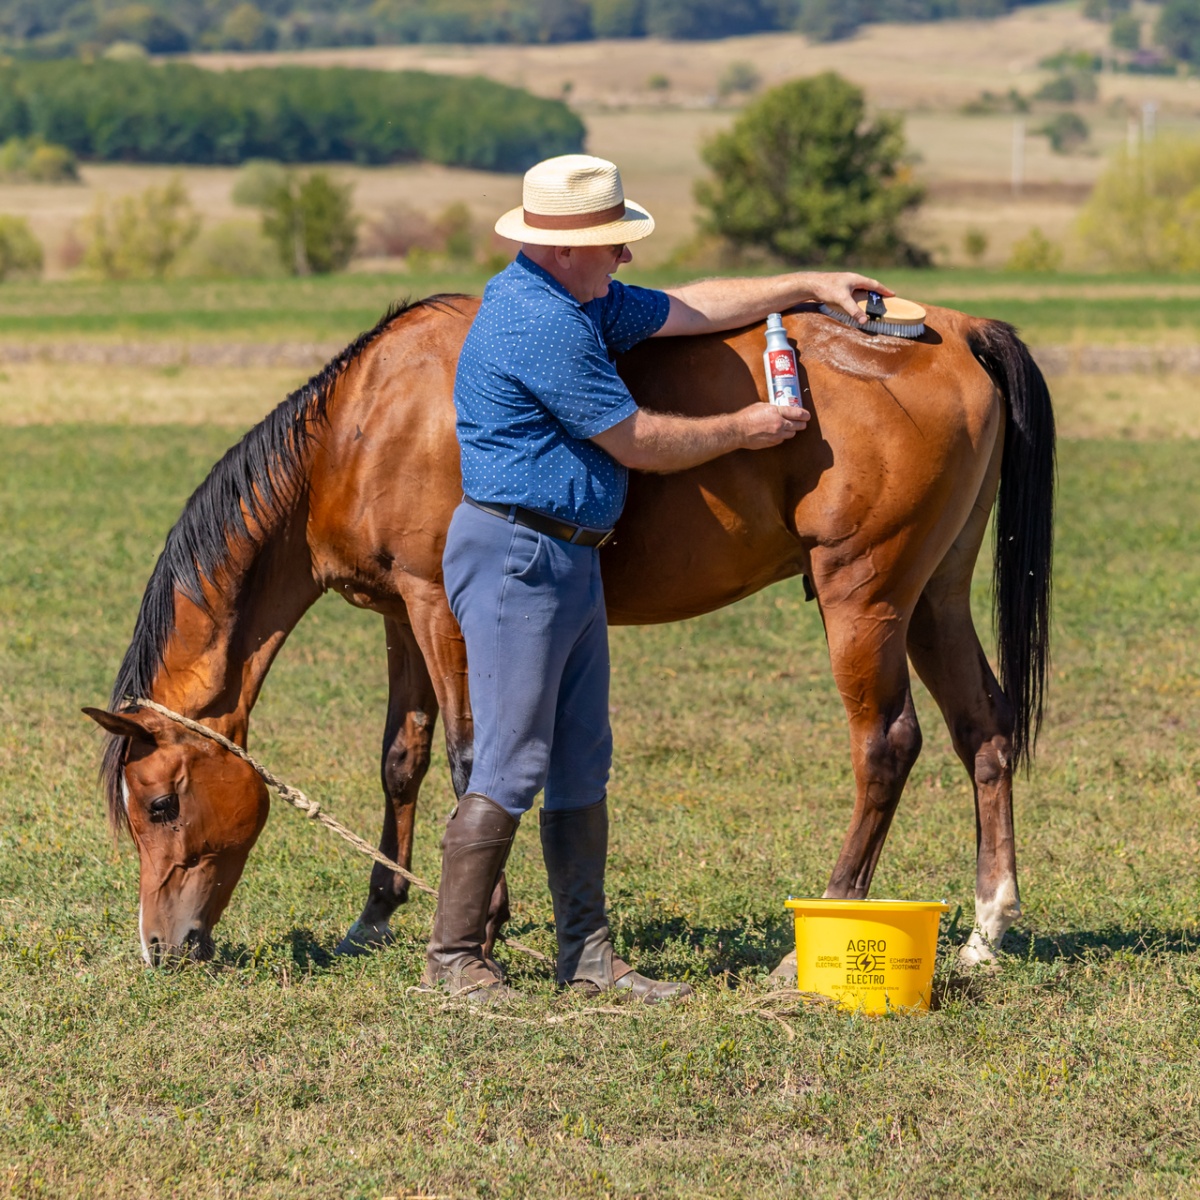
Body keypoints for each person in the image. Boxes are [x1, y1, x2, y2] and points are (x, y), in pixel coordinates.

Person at [424, 154, 889, 1003]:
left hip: (564, 555)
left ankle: (587, 957)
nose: (625, 259)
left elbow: (696, 305)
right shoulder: (542, 322)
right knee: (512, 761)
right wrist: (745, 429)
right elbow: (636, 441)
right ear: (565, 249)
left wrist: (806, 284)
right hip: (516, 557)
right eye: (612, 245)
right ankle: (453, 960)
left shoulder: (577, 297)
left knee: (579, 763)